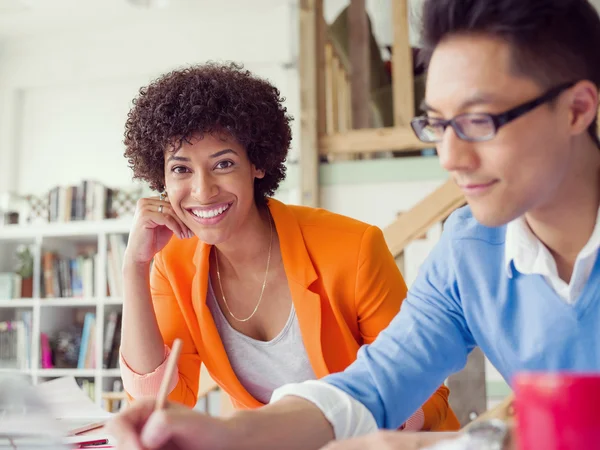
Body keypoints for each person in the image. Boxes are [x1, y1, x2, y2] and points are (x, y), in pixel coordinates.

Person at [108, 0, 600, 447]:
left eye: (478, 121)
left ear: (577, 109)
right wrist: (226, 434)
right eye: (437, 125)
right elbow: (373, 385)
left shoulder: (358, 246)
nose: (450, 158)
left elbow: (422, 413)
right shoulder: (468, 249)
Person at [115, 61, 457, 440]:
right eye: (181, 169)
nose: (203, 190)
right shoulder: (173, 264)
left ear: (257, 164)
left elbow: (425, 396)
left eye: (223, 163)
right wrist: (135, 267)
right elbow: (162, 402)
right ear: (159, 176)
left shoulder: (352, 248)